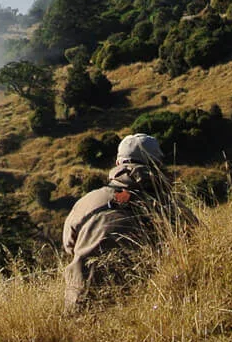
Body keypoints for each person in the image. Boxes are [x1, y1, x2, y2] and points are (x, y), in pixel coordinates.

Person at [62, 133, 189, 311]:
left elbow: (69, 247)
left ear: (118, 164)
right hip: (142, 312)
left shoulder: (86, 202)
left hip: (81, 306)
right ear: (158, 165)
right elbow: (196, 250)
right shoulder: (170, 207)